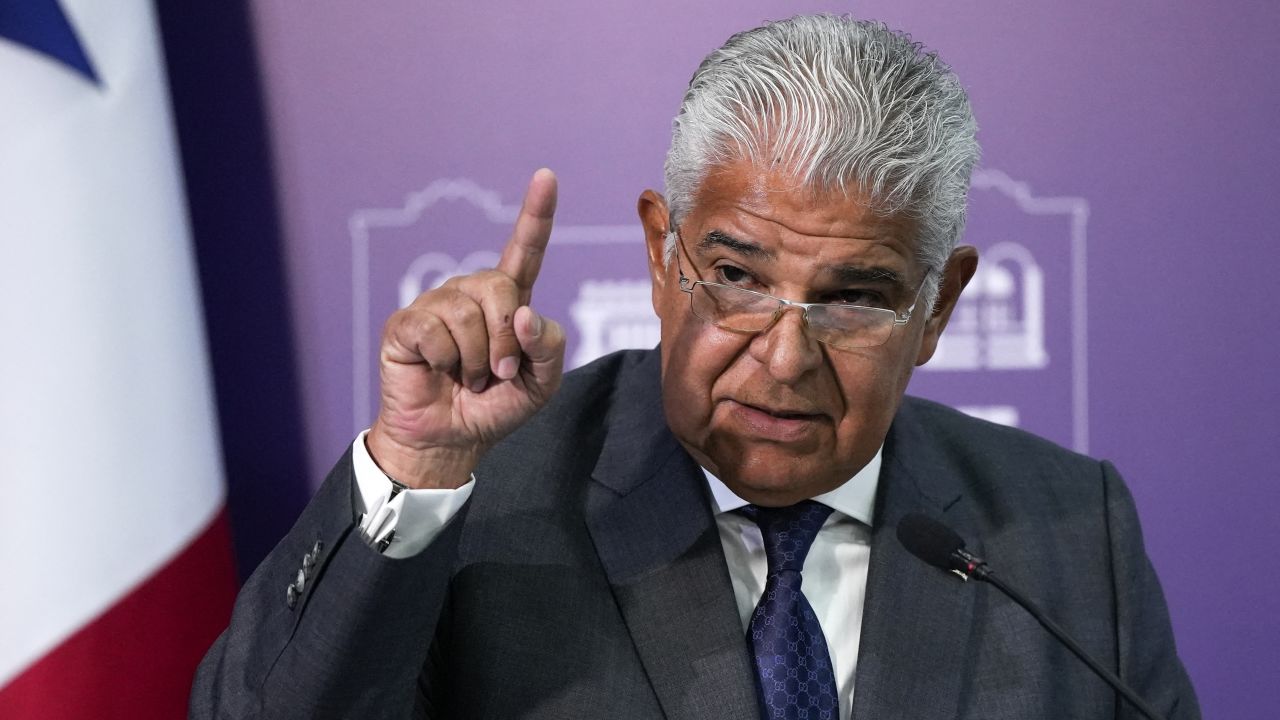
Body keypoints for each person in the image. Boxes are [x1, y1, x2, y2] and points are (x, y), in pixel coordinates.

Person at [192, 14, 1199, 720]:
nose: (785, 357)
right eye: (736, 275)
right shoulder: (480, 497)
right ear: (659, 256)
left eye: (854, 297)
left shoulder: (1067, 531)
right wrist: (414, 465)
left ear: (935, 306)